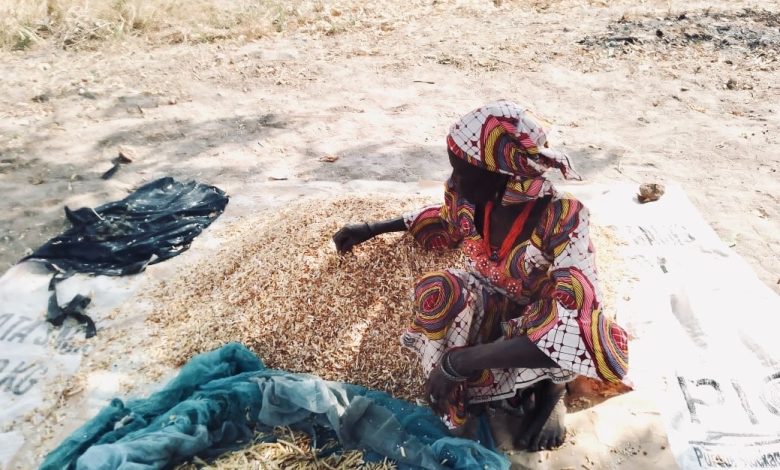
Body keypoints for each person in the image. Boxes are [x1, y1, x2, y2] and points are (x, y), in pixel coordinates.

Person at [332, 100, 629, 451]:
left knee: (567, 324)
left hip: (536, 324)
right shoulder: (471, 199)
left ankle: (552, 391)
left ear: (505, 173)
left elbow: (576, 325)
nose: (454, 180)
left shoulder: (563, 217)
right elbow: (442, 218)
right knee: (442, 288)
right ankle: (461, 398)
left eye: (464, 172)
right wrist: (373, 228)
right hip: (493, 301)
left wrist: (459, 361)